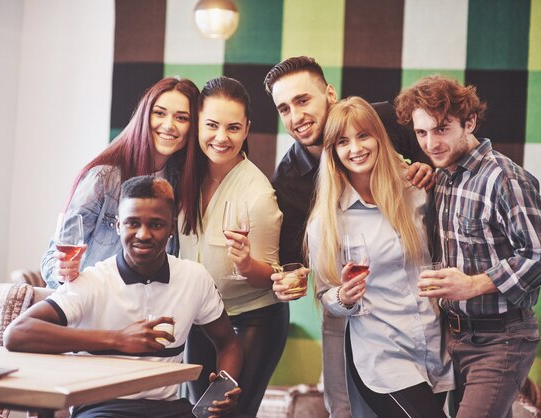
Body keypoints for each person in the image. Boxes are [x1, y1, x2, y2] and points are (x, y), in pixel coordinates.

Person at [263, 56, 434, 417]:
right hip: (365, 336)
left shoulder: (385, 119)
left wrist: (428, 168)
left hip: (427, 329)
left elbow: (438, 155)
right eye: (284, 108)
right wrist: (283, 279)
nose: (296, 116)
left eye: (303, 100)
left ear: (329, 93)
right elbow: (297, 266)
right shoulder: (290, 180)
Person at [394, 75, 541, 418]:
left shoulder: (505, 178)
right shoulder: (441, 178)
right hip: (451, 338)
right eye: (421, 132)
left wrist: (473, 285)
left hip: (502, 340)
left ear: (468, 122)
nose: (431, 143)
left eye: (441, 129)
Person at [5, 176, 242, 418]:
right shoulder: (92, 281)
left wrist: (222, 389)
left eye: (157, 225)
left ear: (172, 227)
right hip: (102, 408)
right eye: (132, 223)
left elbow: (228, 343)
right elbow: (17, 333)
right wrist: (117, 339)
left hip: (169, 408)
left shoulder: (195, 277)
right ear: (118, 226)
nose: (143, 234)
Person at [306, 96, 454, 418]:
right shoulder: (328, 221)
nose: (355, 148)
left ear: (379, 138)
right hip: (382, 357)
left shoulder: (415, 191)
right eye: (343, 141)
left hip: (431, 346)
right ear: (333, 152)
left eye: (363, 136)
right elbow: (325, 295)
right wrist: (343, 296)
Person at [178, 76, 286, 416]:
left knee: (229, 413)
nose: (222, 138)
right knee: (200, 412)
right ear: (197, 123)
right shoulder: (183, 176)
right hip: (201, 319)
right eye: (211, 125)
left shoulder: (258, 194)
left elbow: (268, 277)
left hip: (252, 320)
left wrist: (246, 265)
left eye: (233, 127)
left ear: (247, 128)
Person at [41, 77, 200, 288]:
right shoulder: (104, 179)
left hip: (147, 307)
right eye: (159, 113)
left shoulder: (180, 184)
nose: (169, 125)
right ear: (144, 116)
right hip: (93, 306)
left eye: (181, 118)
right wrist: (63, 272)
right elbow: (52, 259)